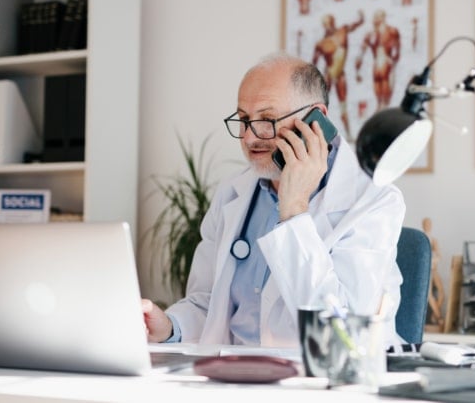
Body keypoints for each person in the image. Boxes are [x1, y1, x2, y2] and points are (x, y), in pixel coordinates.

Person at [142, 52, 406, 349]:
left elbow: (341, 334)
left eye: (267, 120)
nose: (250, 137)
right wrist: (169, 326)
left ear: (315, 120)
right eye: (243, 119)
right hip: (234, 378)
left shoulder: (375, 200)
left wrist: (294, 211)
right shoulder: (233, 193)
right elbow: (207, 304)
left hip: (318, 382)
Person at [312, 12, 365, 141]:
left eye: (329, 22)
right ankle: (318, 137)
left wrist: (361, 18)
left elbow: (356, 24)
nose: (328, 26)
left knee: (343, 104)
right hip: (328, 75)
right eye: (325, 24)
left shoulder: (343, 31)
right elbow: (313, 64)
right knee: (321, 107)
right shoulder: (321, 44)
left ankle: (348, 133)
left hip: (340, 75)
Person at [355, 9, 401, 112]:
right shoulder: (371, 34)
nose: (375, 19)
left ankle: (384, 105)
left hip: (386, 60)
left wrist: (393, 60)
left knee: (384, 81)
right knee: (377, 82)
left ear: (383, 18)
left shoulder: (391, 31)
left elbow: (397, 48)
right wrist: (359, 62)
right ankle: (380, 105)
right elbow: (363, 49)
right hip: (377, 63)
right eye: (374, 17)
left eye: (377, 17)